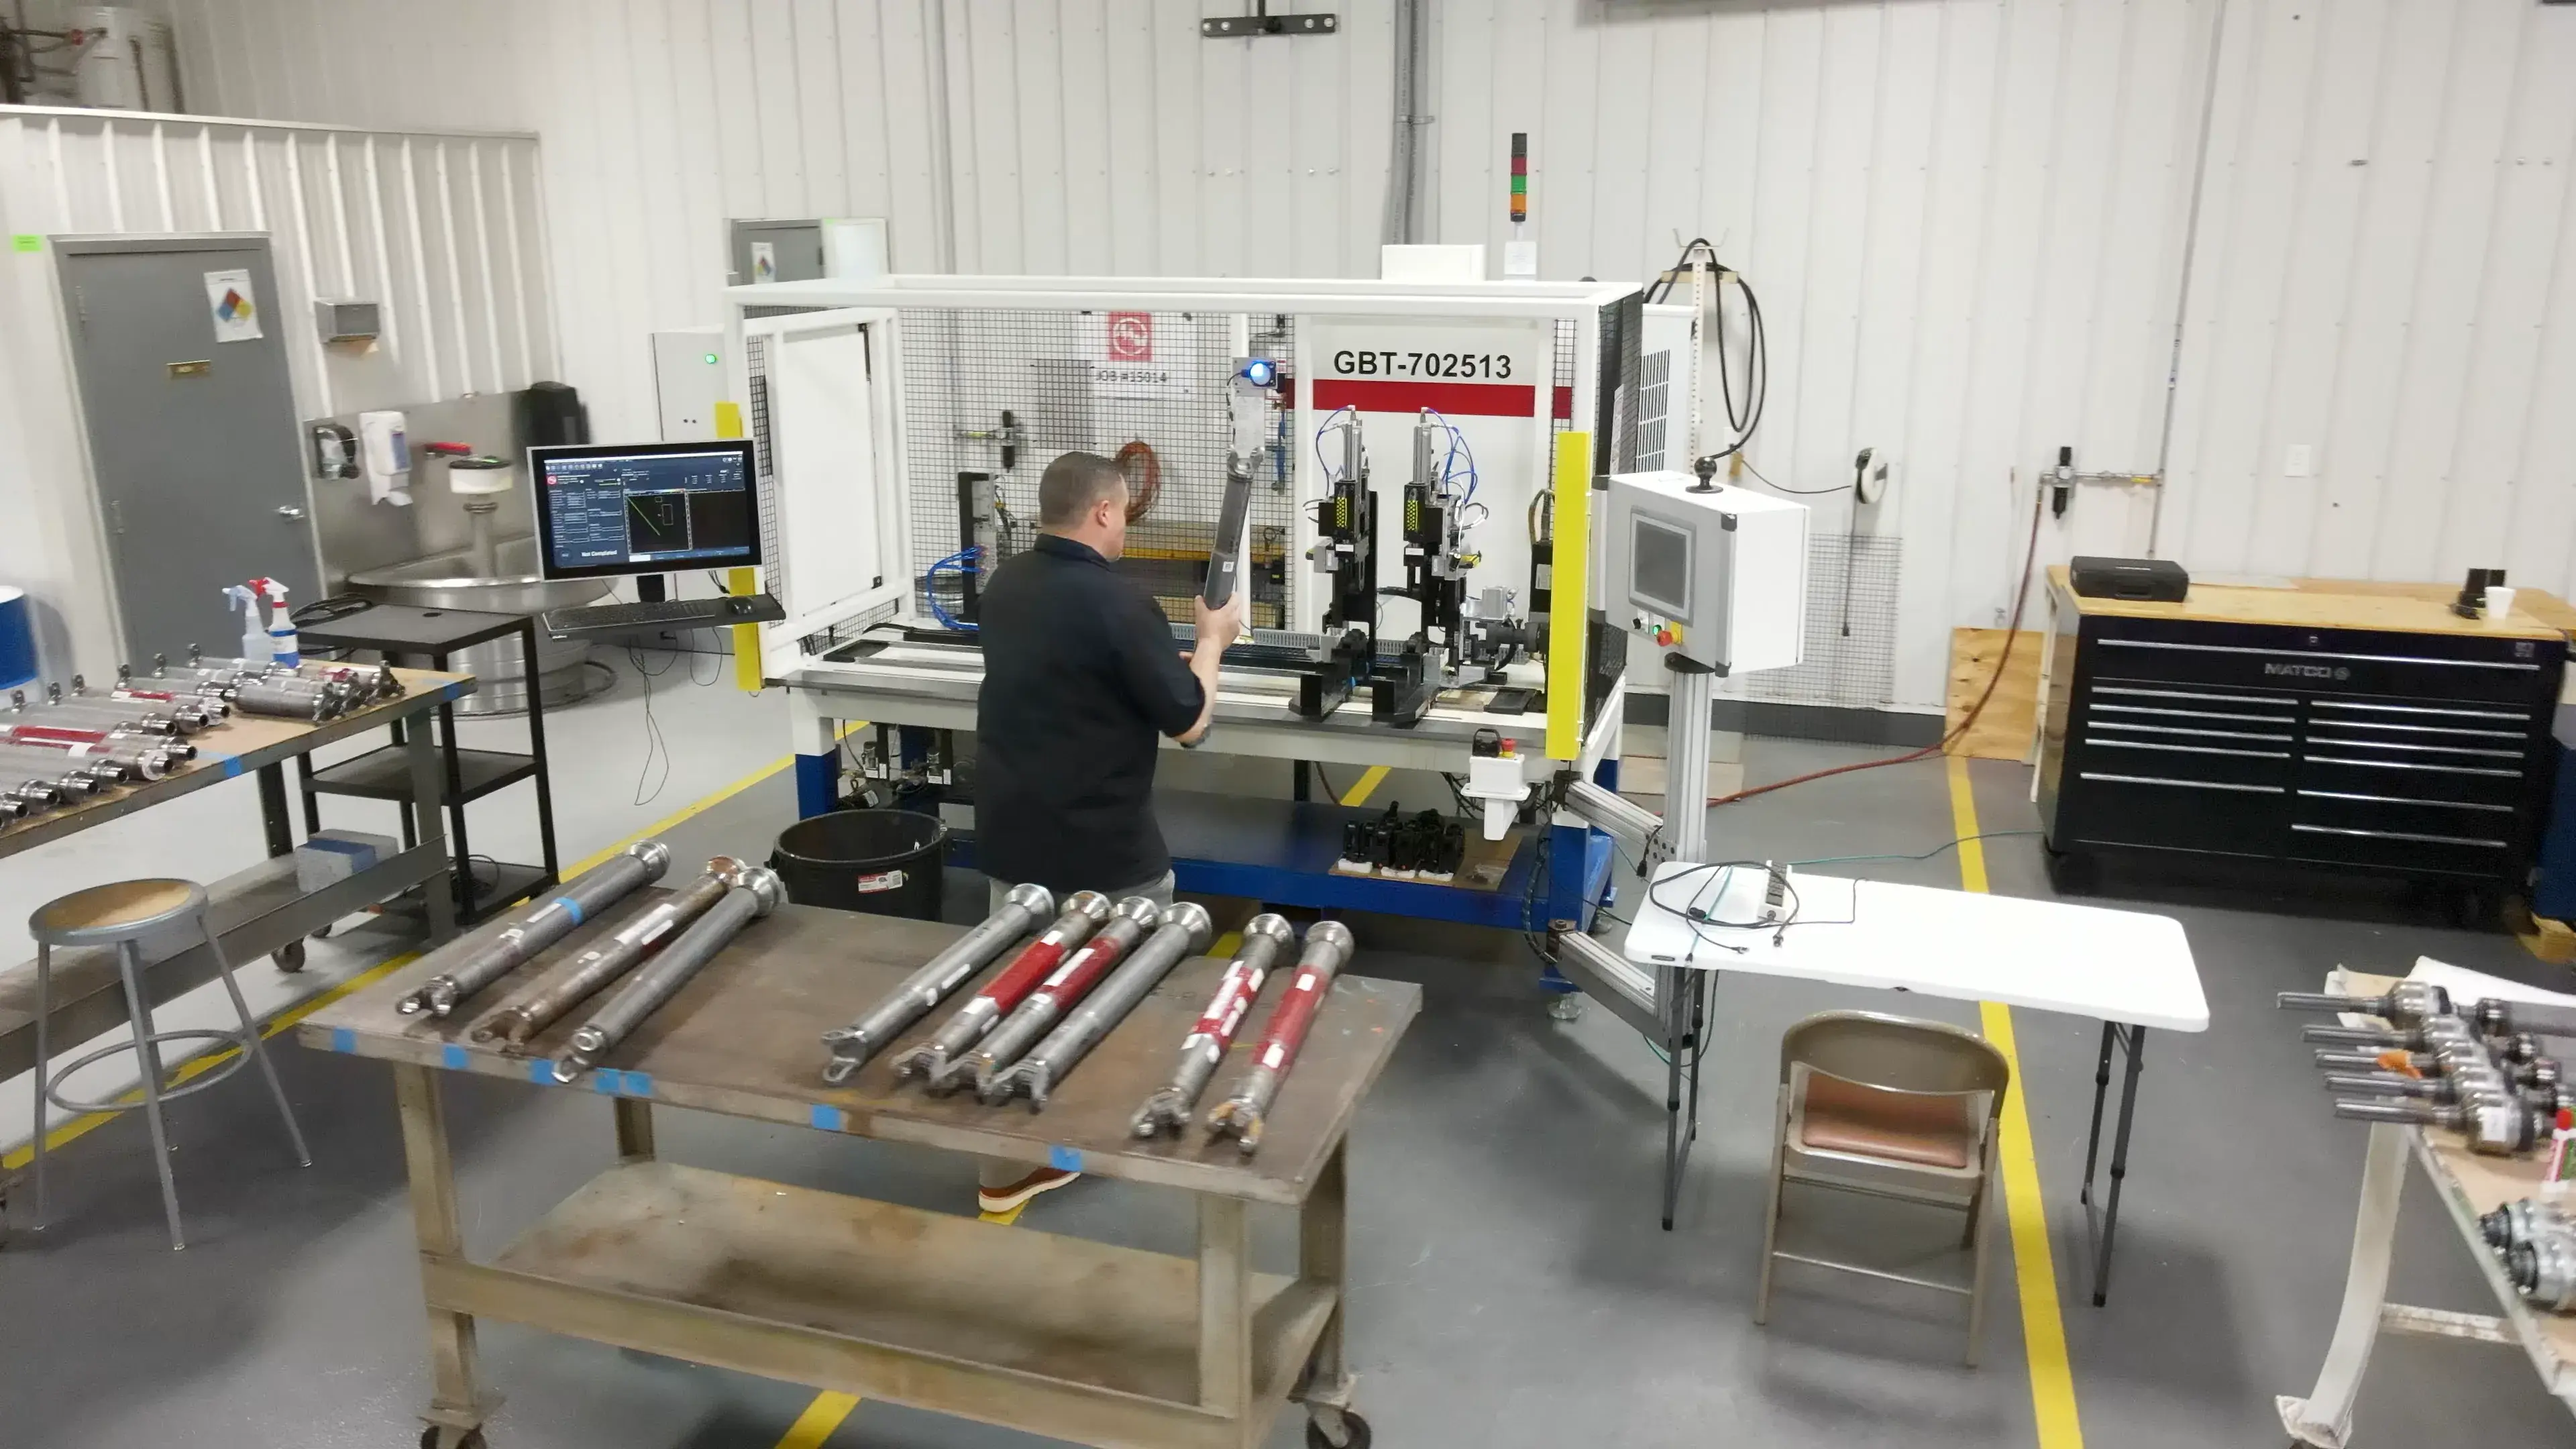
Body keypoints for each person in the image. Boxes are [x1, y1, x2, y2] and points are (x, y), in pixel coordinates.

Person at [967, 450, 1242, 1213]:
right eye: (1123, 514)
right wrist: (1212, 641)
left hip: (1014, 838)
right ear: (1101, 512)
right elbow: (1190, 722)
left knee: (1016, 994)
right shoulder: (1121, 603)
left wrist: (1153, 666)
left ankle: (1002, 1165)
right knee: (1131, 988)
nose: (1125, 528)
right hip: (1105, 852)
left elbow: (1078, 677)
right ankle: (1100, 1127)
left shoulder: (1005, 585)